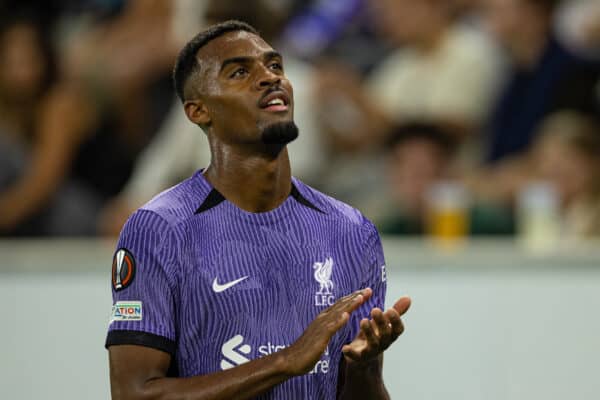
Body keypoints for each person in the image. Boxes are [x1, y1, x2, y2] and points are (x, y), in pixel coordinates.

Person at [105, 20, 411, 399]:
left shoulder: (351, 232)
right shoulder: (159, 229)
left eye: (275, 66)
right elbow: (133, 393)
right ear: (198, 111)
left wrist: (364, 368)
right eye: (239, 72)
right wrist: (285, 361)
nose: (269, 78)